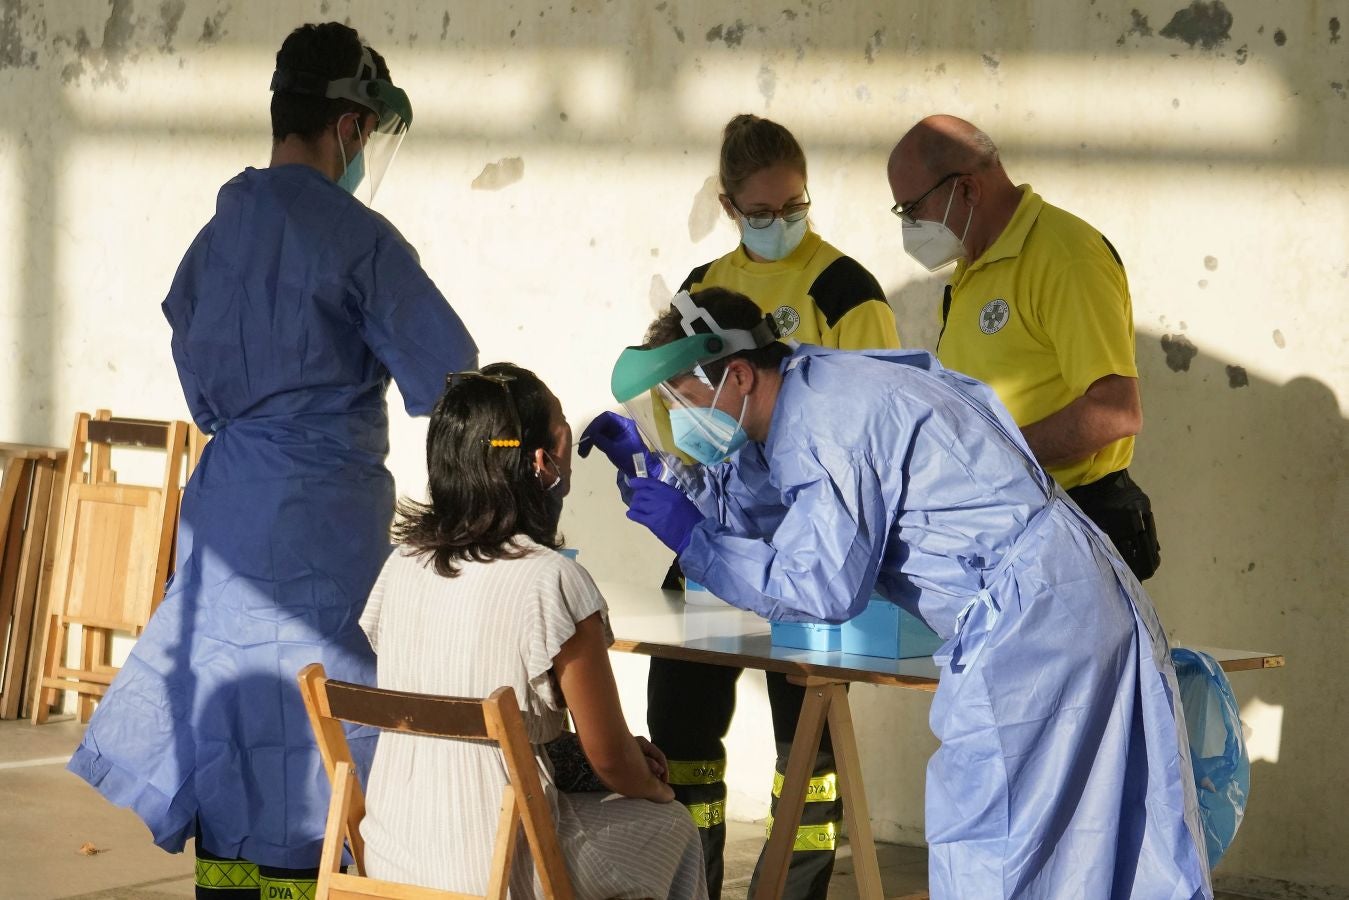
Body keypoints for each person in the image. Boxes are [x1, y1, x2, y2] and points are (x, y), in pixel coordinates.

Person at [587, 288, 1212, 899]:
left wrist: (695, 540)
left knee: (993, 839)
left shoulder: (826, 423)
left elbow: (820, 586)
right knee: (1087, 842)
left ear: (740, 376)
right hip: (1060, 598)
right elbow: (774, 502)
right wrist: (664, 475)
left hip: (1036, 621)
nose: (678, 416)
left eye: (683, 399)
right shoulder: (814, 386)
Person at [67, 22, 479, 900]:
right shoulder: (360, 239)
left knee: (228, 718)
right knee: (314, 740)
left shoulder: (217, 234)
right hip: (322, 531)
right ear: (352, 126)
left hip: (223, 518)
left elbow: (203, 392)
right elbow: (454, 378)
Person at [615, 113, 900, 900]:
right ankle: (690, 883)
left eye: (794, 207)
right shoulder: (701, 289)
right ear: (728, 203)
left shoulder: (845, 290)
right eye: (761, 212)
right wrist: (656, 460)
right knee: (680, 728)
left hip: (813, 542)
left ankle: (793, 889)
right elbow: (674, 411)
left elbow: (867, 425)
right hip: (714, 537)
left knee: (805, 746)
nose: (780, 225)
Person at [358, 363, 707, 900]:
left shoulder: (401, 565)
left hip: (391, 856)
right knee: (671, 828)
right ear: (544, 462)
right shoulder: (553, 580)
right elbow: (613, 761)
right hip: (500, 865)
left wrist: (583, 757)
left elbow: (465, 711)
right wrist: (651, 786)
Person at [886, 114, 1162, 581]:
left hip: (1075, 523)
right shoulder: (974, 263)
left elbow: (1116, 412)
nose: (910, 227)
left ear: (968, 190)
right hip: (1004, 524)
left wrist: (991, 455)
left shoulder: (1066, 257)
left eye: (912, 210)